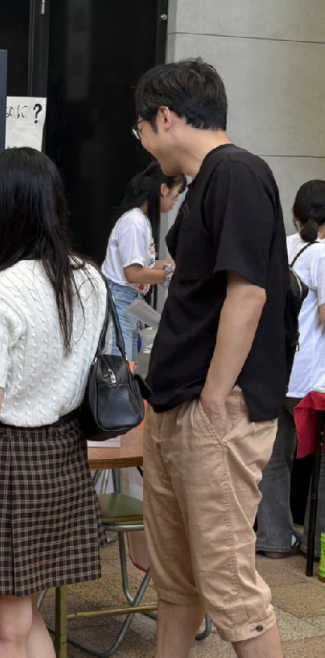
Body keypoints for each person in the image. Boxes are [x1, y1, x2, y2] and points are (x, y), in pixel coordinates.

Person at [136, 59, 287, 657]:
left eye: (141, 129)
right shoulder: (207, 182)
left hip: (212, 408)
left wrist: (216, 399)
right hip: (177, 403)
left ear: (165, 118)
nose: (143, 143)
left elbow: (249, 295)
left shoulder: (238, 173)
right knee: (175, 584)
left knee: (232, 591)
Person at [0, 147, 106, 657]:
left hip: (6, 463)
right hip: (64, 454)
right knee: (27, 613)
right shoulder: (88, 277)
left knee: (7, 626)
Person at [256, 180, 325, 558]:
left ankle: (274, 539)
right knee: (320, 468)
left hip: (278, 371)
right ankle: (318, 545)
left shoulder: (283, 246)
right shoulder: (324, 254)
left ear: (296, 213)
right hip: (314, 380)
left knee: (274, 460)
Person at [100, 162, 185, 361]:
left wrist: (174, 266)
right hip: (120, 300)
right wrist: (171, 276)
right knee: (120, 368)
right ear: (163, 189)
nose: (176, 200)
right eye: (176, 194)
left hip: (129, 301)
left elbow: (144, 267)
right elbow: (133, 273)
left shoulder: (141, 221)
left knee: (128, 366)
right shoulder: (134, 222)